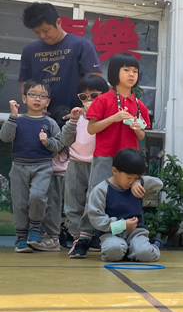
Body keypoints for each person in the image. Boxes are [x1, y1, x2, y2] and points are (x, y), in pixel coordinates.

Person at [0, 79, 63, 252]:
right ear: (24, 98)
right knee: (20, 202)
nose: (37, 99)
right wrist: (13, 116)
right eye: (32, 94)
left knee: (37, 196)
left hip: (43, 166)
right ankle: (21, 237)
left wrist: (47, 142)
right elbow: (5, 137)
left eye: (42, 96)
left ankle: (35, 228)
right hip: (19, 166)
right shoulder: (18, 120)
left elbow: (59, 145)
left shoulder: (50, 123)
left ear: (47, 101)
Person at [61, 73, 111, 259]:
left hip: (99, 164)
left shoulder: (108, 117)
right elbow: (65, 140)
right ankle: (78, 238)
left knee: (94, 201)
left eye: (94, 95)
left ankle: (90, 235)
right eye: (84, 96)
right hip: (75, 162)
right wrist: (73, 120)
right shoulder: (76, 116)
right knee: (73, 202)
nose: (89, 99)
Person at [85, 52, 149, 193]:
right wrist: (113, 118)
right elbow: (91, 129)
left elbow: (141, 136)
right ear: (115, 72)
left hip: (129, 158)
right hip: (105, 155)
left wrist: (137, 129)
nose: (131, 74)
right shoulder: (102, 100)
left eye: (135, 71)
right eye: (126, 70)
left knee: (124, 194)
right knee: (98, 192)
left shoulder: (140, 106)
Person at [85, 147, 162, 263]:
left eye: (136, 177)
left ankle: (151, 246)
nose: (131, 181)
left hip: (136, 231)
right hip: (111, 233)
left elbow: (159, 184)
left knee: (145, 254)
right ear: (115, 171)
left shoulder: (136, 185)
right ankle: (128, 250)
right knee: (113, 251)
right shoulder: (101, 190)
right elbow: (96, 218)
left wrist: (139, 182)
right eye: (129, 178)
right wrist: (122, 225)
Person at [19, 3, 101, 110]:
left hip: (75, 113)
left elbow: (95, 81)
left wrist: (85, 109)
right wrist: (35, 108)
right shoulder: (29, 51)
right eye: (37, 32)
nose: (42, 36)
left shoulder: (82, 46)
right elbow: (25, 83)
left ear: (58, 22)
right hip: (41, 114)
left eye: (46, 30)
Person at [38, 105, 72, 252]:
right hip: (66, 174)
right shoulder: (70, 133)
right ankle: (58, 235)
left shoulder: (54, 136)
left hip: (56, 174)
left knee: (52, 207)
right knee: (59, 206)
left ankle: (52, 238)